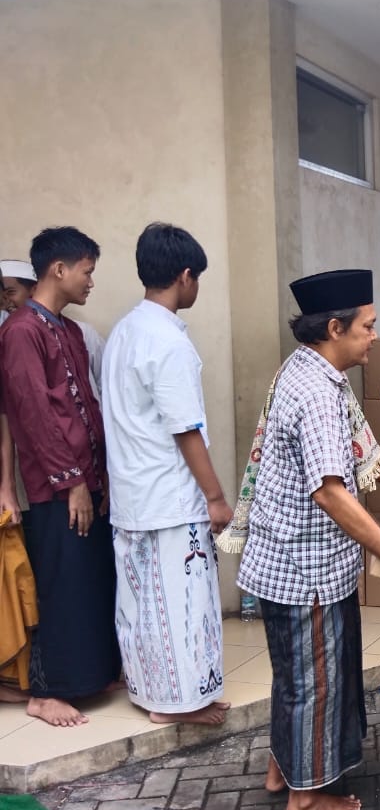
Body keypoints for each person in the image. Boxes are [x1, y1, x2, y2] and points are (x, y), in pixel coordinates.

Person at [233, 268, 380, 810]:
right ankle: (305, 802)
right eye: (368, 326)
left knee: (296, 677)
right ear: (336, 328)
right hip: (306, 572)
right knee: (315, 684)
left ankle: (283, 770)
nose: (374, 336)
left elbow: (372, 460)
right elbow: (330, 492)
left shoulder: (308, 370)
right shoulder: (318, 393)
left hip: (293, 566)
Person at [101, 224, 231, 726]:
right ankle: (178, 704)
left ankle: (152, 692)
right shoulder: (166, 341)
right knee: (181, 603)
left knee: (141, 605)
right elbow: (185, 429)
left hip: (133, 493)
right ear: (185, 276)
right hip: (169, 496)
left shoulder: (124, 331)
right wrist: (214, 496)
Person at [0, 228, 121, 726]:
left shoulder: (68, 330)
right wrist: (72, 481)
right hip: (56, 487)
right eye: (87, 271)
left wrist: (100, 477)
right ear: (59, 269)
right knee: (61, 582)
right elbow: (33, 414)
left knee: (91, 579)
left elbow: (85, 405)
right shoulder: (21, 331)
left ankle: (92, 675)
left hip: (86, 481)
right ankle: (47, 693)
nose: (91, 281)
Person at [2, 258, 105, 395]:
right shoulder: (10, 333)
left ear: (34, 290)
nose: (4, 300)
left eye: (10, 292)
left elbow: (105, 381)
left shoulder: (82, 332)